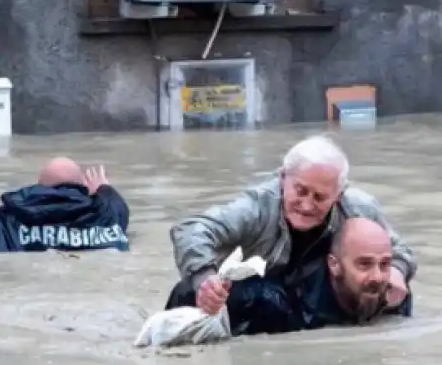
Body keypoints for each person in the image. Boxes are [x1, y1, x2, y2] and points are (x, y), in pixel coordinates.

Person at [171, 134, 416, 315]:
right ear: (282, 179)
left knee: (392, 294)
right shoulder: (256, 208)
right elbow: (191, 230)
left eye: (320, 197)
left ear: (338, 195)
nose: (307, 205)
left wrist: (396, 272)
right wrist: (205, 280)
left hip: (306, 297)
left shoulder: (359, 207)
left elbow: (400, 252)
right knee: (267, 300)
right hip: (251, 295)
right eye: (300, 191)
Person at [165, 217, 413, 336]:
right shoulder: (271, 303)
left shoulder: (393, 295)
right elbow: (182, 297)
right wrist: (208, 289)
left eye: (385, 264)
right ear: (334, 265)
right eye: (364, 264)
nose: (378, 276)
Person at [0, 158, 130, 252]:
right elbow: (119, 210)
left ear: (39, 188)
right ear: (83, 188)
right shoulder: (105, 217)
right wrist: (105, 191)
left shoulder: (9, 220)